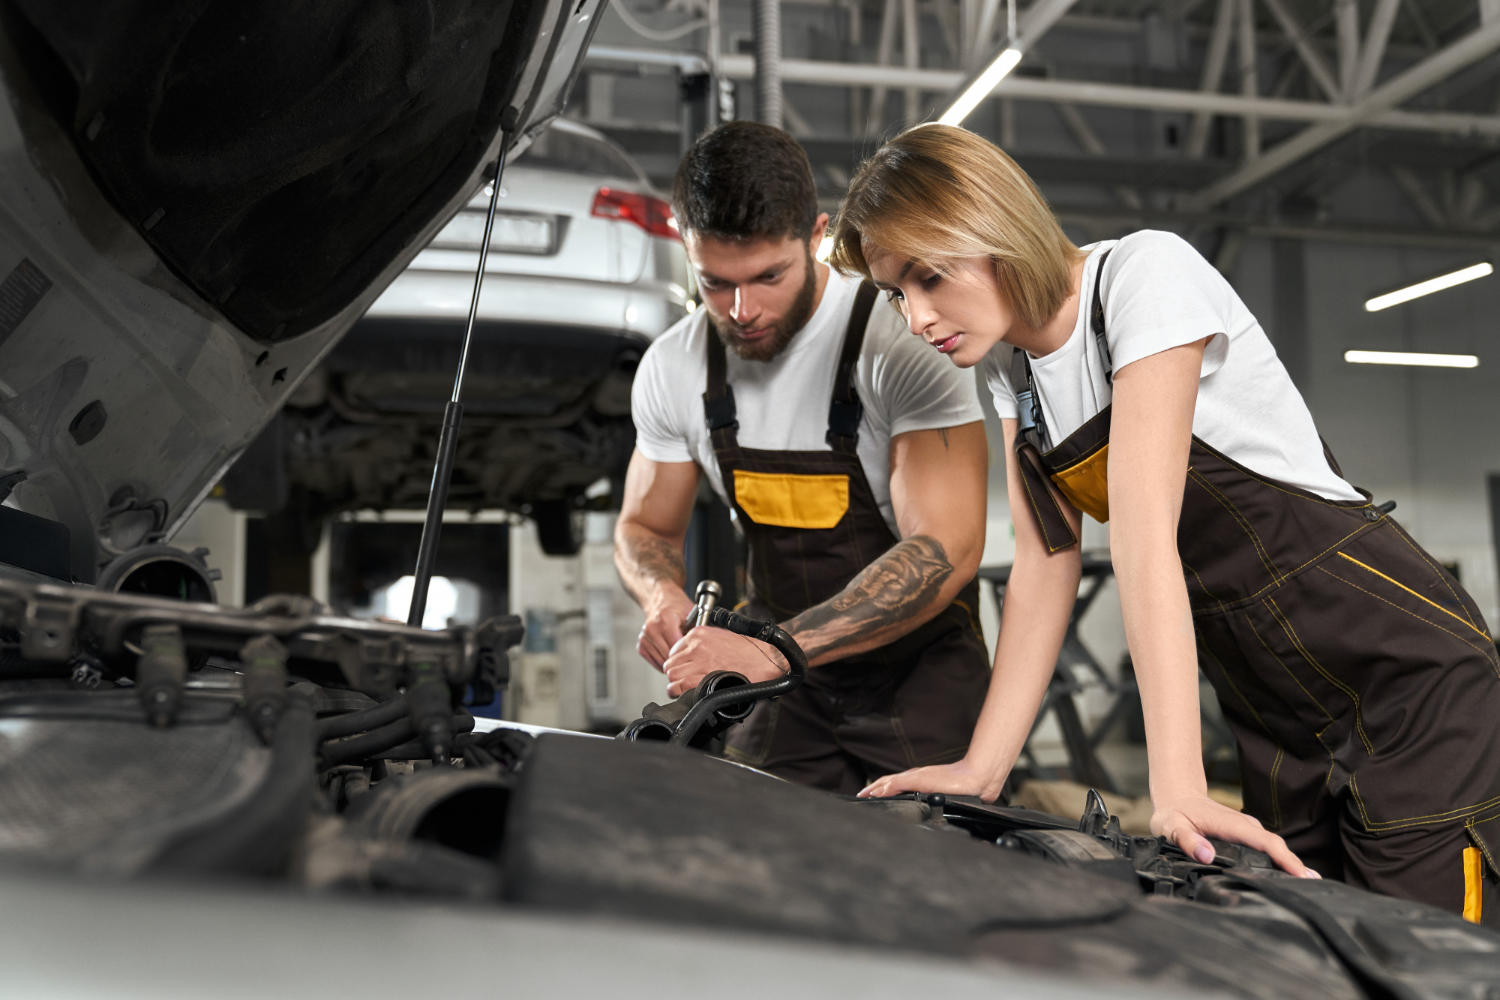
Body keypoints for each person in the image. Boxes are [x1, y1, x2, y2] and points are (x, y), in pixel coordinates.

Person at [828, 122, 1500, 923]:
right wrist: (983, 767)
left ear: (991, 226)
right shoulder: (1015, 372)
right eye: (896, 293)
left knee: (1427, 950)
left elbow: (1144, 538)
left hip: (1400, 675)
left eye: (929, 276)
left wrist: (1176, 784)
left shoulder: (1144, 276)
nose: (916, 317)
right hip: (1271, 707)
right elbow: (1046, 563)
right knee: (1305, 946)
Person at [613, 121, 992, 794]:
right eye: (715, 283)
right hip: (779, 681)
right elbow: (644, 526)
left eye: (769, 276)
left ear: (817, 236)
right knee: (760, 836)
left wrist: (775, 648)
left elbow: (945, 548)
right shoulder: (674, 367)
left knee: (937, 847)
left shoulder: (900, 340)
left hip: (918, 673)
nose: (742, 310)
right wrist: (659, 595)